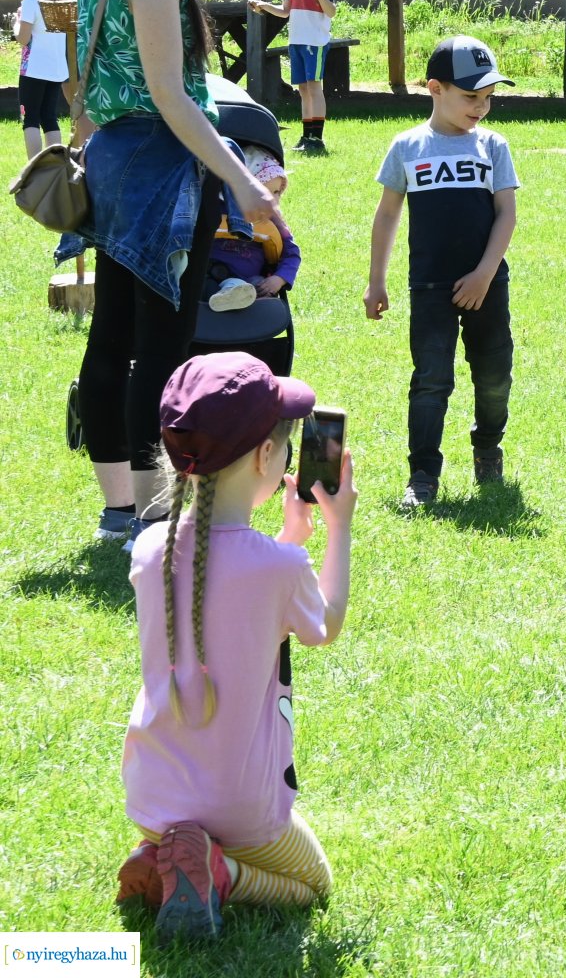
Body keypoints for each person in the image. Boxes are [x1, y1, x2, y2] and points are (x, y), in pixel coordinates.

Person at [61, 0, 278, 543]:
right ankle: (153, 513)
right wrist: (241, 178)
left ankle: (118, 510)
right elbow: (173, 96)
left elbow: (87, 78)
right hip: (162, 164)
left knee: (111, 335)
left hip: (116, 157)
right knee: (160, 344)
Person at [113, 352, 354, 941]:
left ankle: (167, 856)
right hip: (242, 809)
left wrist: (291, 534)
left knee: (189, 828)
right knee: (312, 885)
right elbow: (325, 624)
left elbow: (221, 588)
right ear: (266, 458)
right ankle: (221, 869)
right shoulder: (279, 567)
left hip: (155, 800)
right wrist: (338, 528)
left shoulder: (149, 551)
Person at [365, 35, 519, 511]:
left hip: (486, 284)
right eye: (471, 96)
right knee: (431, 379)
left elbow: (506, 215)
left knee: (494, 375)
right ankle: (423, 475)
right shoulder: (408, 146)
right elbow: (388, 213)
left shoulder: (493, 146)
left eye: (488, 97)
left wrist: (483, 275)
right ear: (435, 88)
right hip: (429, 287)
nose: (482, 107)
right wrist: (377, 280)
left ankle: (487, 446)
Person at [246, 0, 335, 154]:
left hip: (314, 42)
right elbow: (286, 11)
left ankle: (318, 137)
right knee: (303, 90)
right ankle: (306, 136)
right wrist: (265, 6)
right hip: (296, 41)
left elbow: (331, 11)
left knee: (315, 88)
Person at [207, 144, 300, 313]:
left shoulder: (275, 224)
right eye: (266, 191)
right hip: (211, 274)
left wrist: (279, 279)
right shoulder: (217, 210)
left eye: (277, 192)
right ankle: (230, 295)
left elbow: (292, 253)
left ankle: (240, 296)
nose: (273, 199)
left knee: (259, 287)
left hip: (253, 283)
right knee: (202, 283)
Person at [16, 0, 69, 158]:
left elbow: (23, 38)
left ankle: (35, 171)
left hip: (34, 70)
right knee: (49, 117)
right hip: (56, 70)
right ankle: (55, 168)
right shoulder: (61, 0)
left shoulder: (32, 1)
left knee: (30, 119)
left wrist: (16, 22)